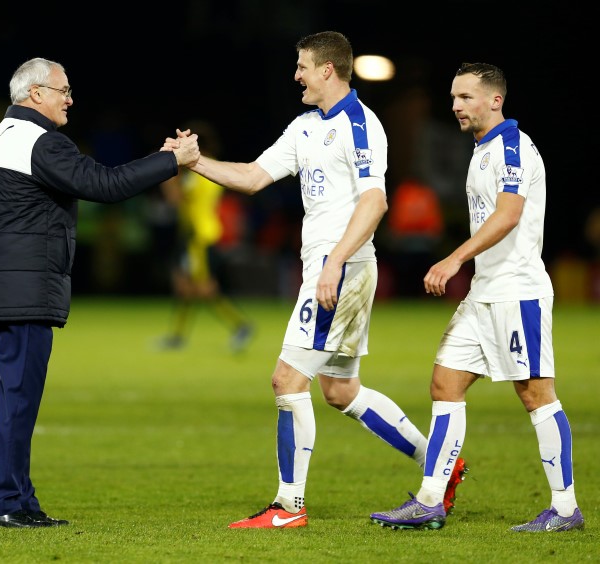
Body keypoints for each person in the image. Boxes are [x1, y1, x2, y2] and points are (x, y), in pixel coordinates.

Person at [164, 31, 466, 529]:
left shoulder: (361, 125)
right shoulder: (305, 125)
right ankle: (441, 464)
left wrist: (333, 262)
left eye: (303, 66)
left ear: (328, 69)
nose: (296, 75)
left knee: (287, 380)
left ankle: (288, 507)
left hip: (339, 269)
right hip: (332, 268)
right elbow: (254, 175)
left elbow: (375, 201)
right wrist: (195, 162)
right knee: (341, 391)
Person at [0, 57, 199, 528]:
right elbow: (105, 185)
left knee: (13, 397)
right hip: (24, 286)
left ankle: (18, 499)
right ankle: (1, 503)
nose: (70, 98)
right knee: (18, 400)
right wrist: (171, 161)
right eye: (62, 90)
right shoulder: (40, 142)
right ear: (35, 95)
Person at [370, 63, 584, 532]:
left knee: (536, 395)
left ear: (495, 100)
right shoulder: (483, 148)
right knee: (445, 383)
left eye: (466, 97)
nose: (455, 106)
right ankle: (430, 500)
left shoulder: (512, 147)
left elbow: (508, 215)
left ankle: (565, 509)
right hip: (486, 293)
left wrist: (453, 260)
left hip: (516, 292)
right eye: (453, 97)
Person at [157, 119, 253, 353]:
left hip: (198, 235)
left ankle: (240, 326)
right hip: (197, 233)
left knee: (203, 288)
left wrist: (165, 173)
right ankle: (178, 336)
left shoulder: (199, 170)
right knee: (185, 287)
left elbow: (176, 198)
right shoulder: (212, 167)